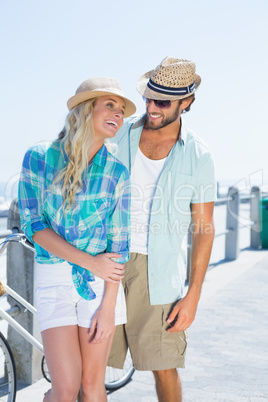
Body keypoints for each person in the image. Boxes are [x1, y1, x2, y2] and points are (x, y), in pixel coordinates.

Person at [18, 77, 136, 402]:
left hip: (100, 288)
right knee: (66, 387)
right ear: (86, 109)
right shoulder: (39, 157)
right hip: (53, 280)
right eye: (109, 105)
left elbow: (119, 245)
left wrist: (109, 307)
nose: (118, 114)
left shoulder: (117, 173)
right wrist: (88, 262)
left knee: (92, 385)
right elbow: (34, 226)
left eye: (122, 109)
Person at [108, 57, 216, 401]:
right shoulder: (118, 134)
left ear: (186, 103)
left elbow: (204, 228)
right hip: (105, 262)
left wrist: (194, 293)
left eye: (163, 102)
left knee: (164, 366)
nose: (151, 108)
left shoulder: (199, 156)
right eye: (148, 98)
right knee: (90, 366)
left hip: (159, 273)